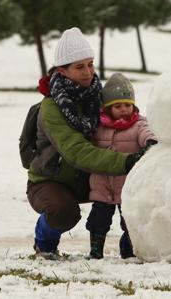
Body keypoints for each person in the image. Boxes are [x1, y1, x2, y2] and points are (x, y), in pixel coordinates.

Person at [27, 27, 146, 259]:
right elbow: (77, 152)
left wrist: (148, 140)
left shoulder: (95, 97)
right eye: (79, 67)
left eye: (90, 64)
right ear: (62, 70)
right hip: (52, 180)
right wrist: (127, 162)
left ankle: (131, 244)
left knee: (130, 198)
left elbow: (126, 120)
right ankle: (44, 243)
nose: (88, 72)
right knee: (64, 213)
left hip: (86, 178)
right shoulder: (51, 108)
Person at [85, 73, 157, 259]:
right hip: (102, 184)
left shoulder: (138, 124)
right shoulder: (98, 127)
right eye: (117, 106)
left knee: (130, 221)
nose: (124, 109)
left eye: (127, 104)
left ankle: (129, 248)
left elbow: (146, 132)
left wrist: (151, 142)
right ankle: (95, 247)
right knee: (98, 220)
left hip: (128, 186)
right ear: (107, 108)